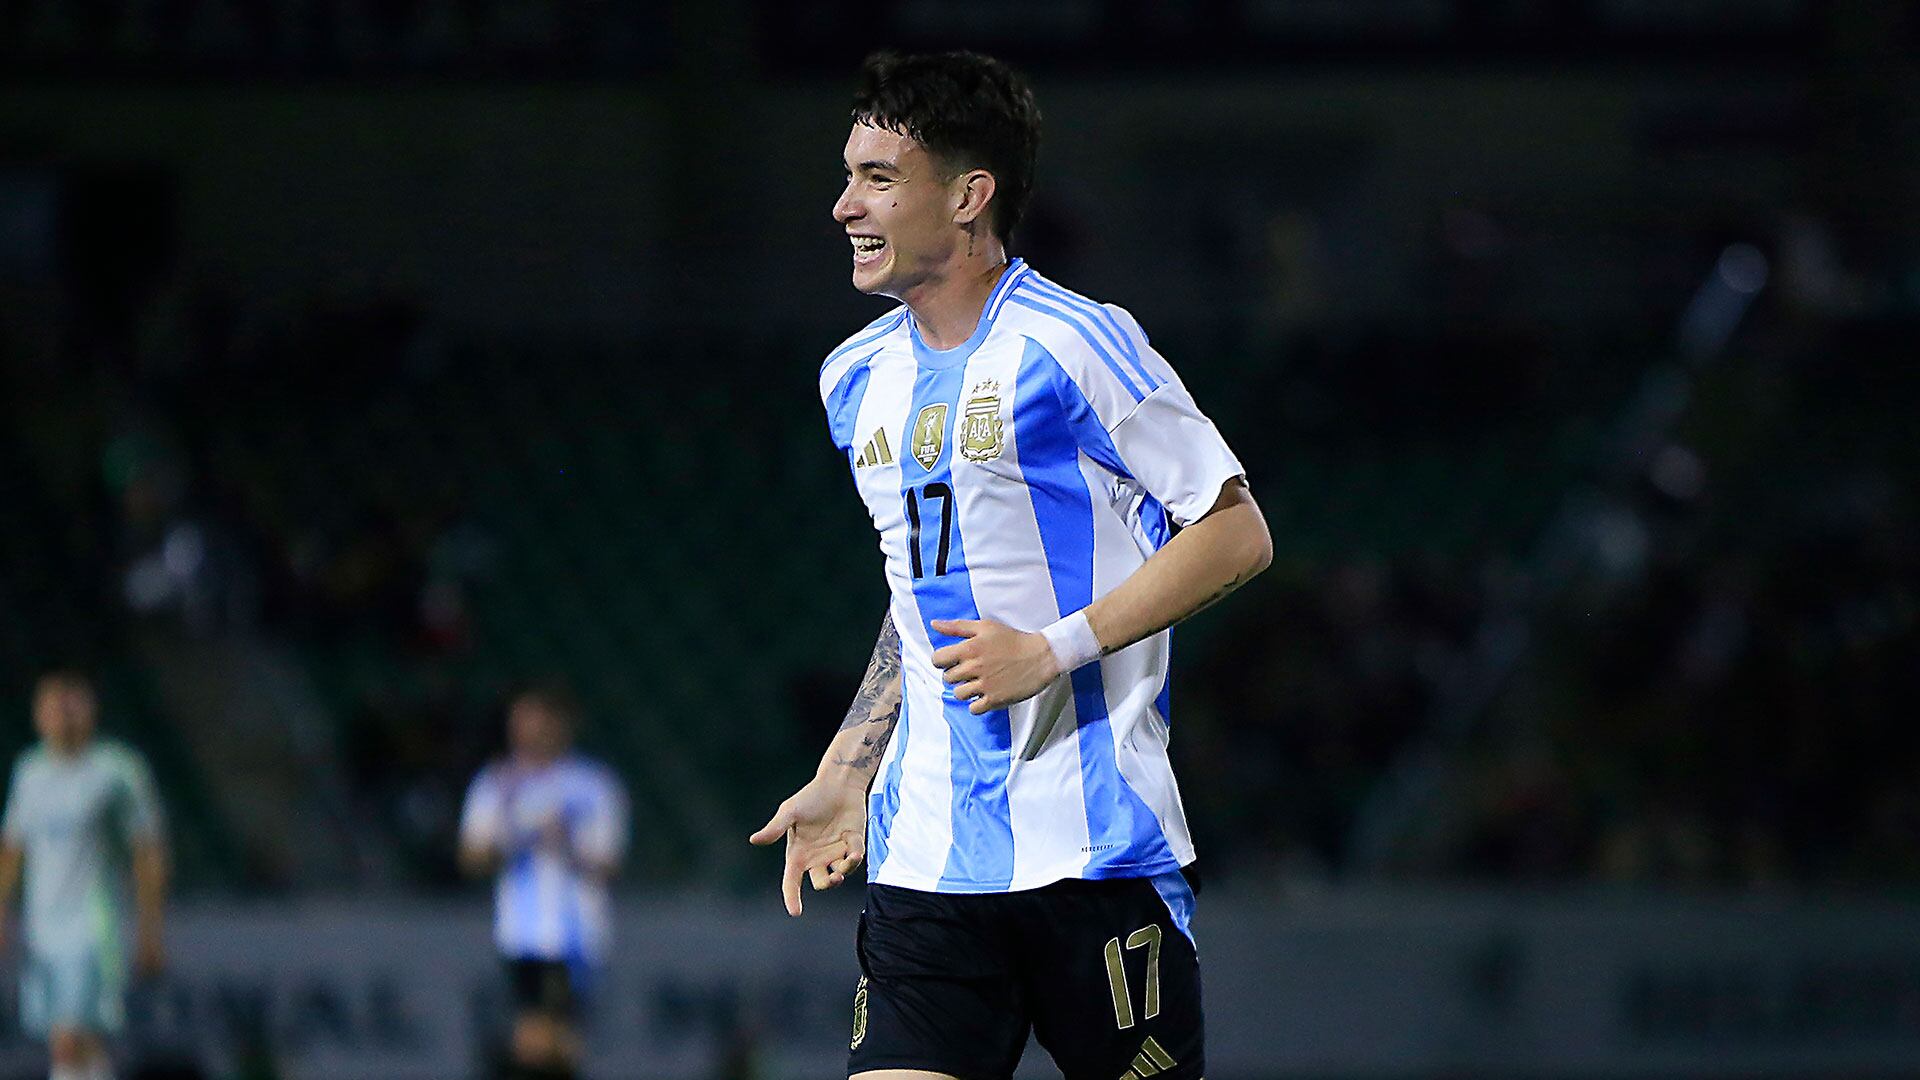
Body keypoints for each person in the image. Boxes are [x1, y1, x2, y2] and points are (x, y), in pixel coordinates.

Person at [750, 50, 1272, 1080]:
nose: (843, 205)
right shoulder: (854, 378)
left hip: (1096, 852)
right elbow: (919, 591)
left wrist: (1053, 651)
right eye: (848, 175)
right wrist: (851, 767)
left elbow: (1234, 531)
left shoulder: (1079, 343)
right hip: (928, 862)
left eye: (878, 179)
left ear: (968, 194)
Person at [0, 670, 169, 1080]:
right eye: (55, 708)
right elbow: (12, 848)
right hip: (42, 926)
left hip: (94, 923)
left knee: (69, 1038)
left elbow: (147, 849)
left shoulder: (116, 771)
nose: (64, 716)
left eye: (73, 707)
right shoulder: (29, 773)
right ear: (39, 715)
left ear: (91, 712)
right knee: (78, 1045)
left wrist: (150, 926)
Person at [458, 684, 628, 1080]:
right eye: (518, 721)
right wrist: (515, 838)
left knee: (557, 1040)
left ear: (558, 724)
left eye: (534, 720)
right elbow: (471, 856)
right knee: (534, 1038)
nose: (525, 730)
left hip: (575, 933)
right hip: (520, 931)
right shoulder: (497, 782)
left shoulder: (592, 784)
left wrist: (563, 841)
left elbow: (608, 863)